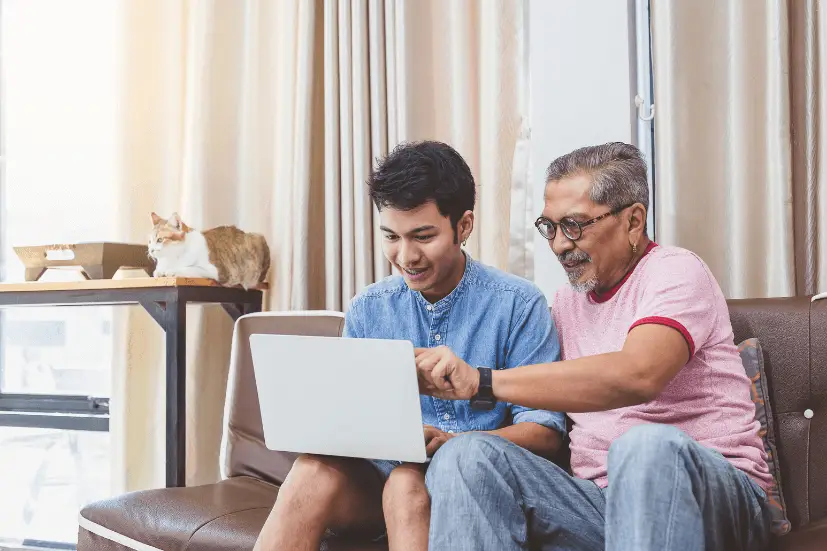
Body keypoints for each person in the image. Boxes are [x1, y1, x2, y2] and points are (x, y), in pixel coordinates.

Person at [415, 142, 774, 551]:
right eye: (549, 227)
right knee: (467, 456)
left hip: (714, 494)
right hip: (596, 504)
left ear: (633, 222)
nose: (559, 245)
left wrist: (480, 381)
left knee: (643, 446)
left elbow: (638, 375)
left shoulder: (675, 271)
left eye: (574, 225)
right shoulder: (566, 303)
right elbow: (542, 401)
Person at [253, 140, 567, 551]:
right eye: (391, 237)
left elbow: (545, 432)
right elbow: (350, 416)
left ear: (464, 226)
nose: (406, 256)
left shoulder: (519, 305)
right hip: (376, 483)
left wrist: (458, 446)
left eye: (423, 236)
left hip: (469, 485)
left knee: (406, 483)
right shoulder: (369, 306)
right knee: (309, 471)